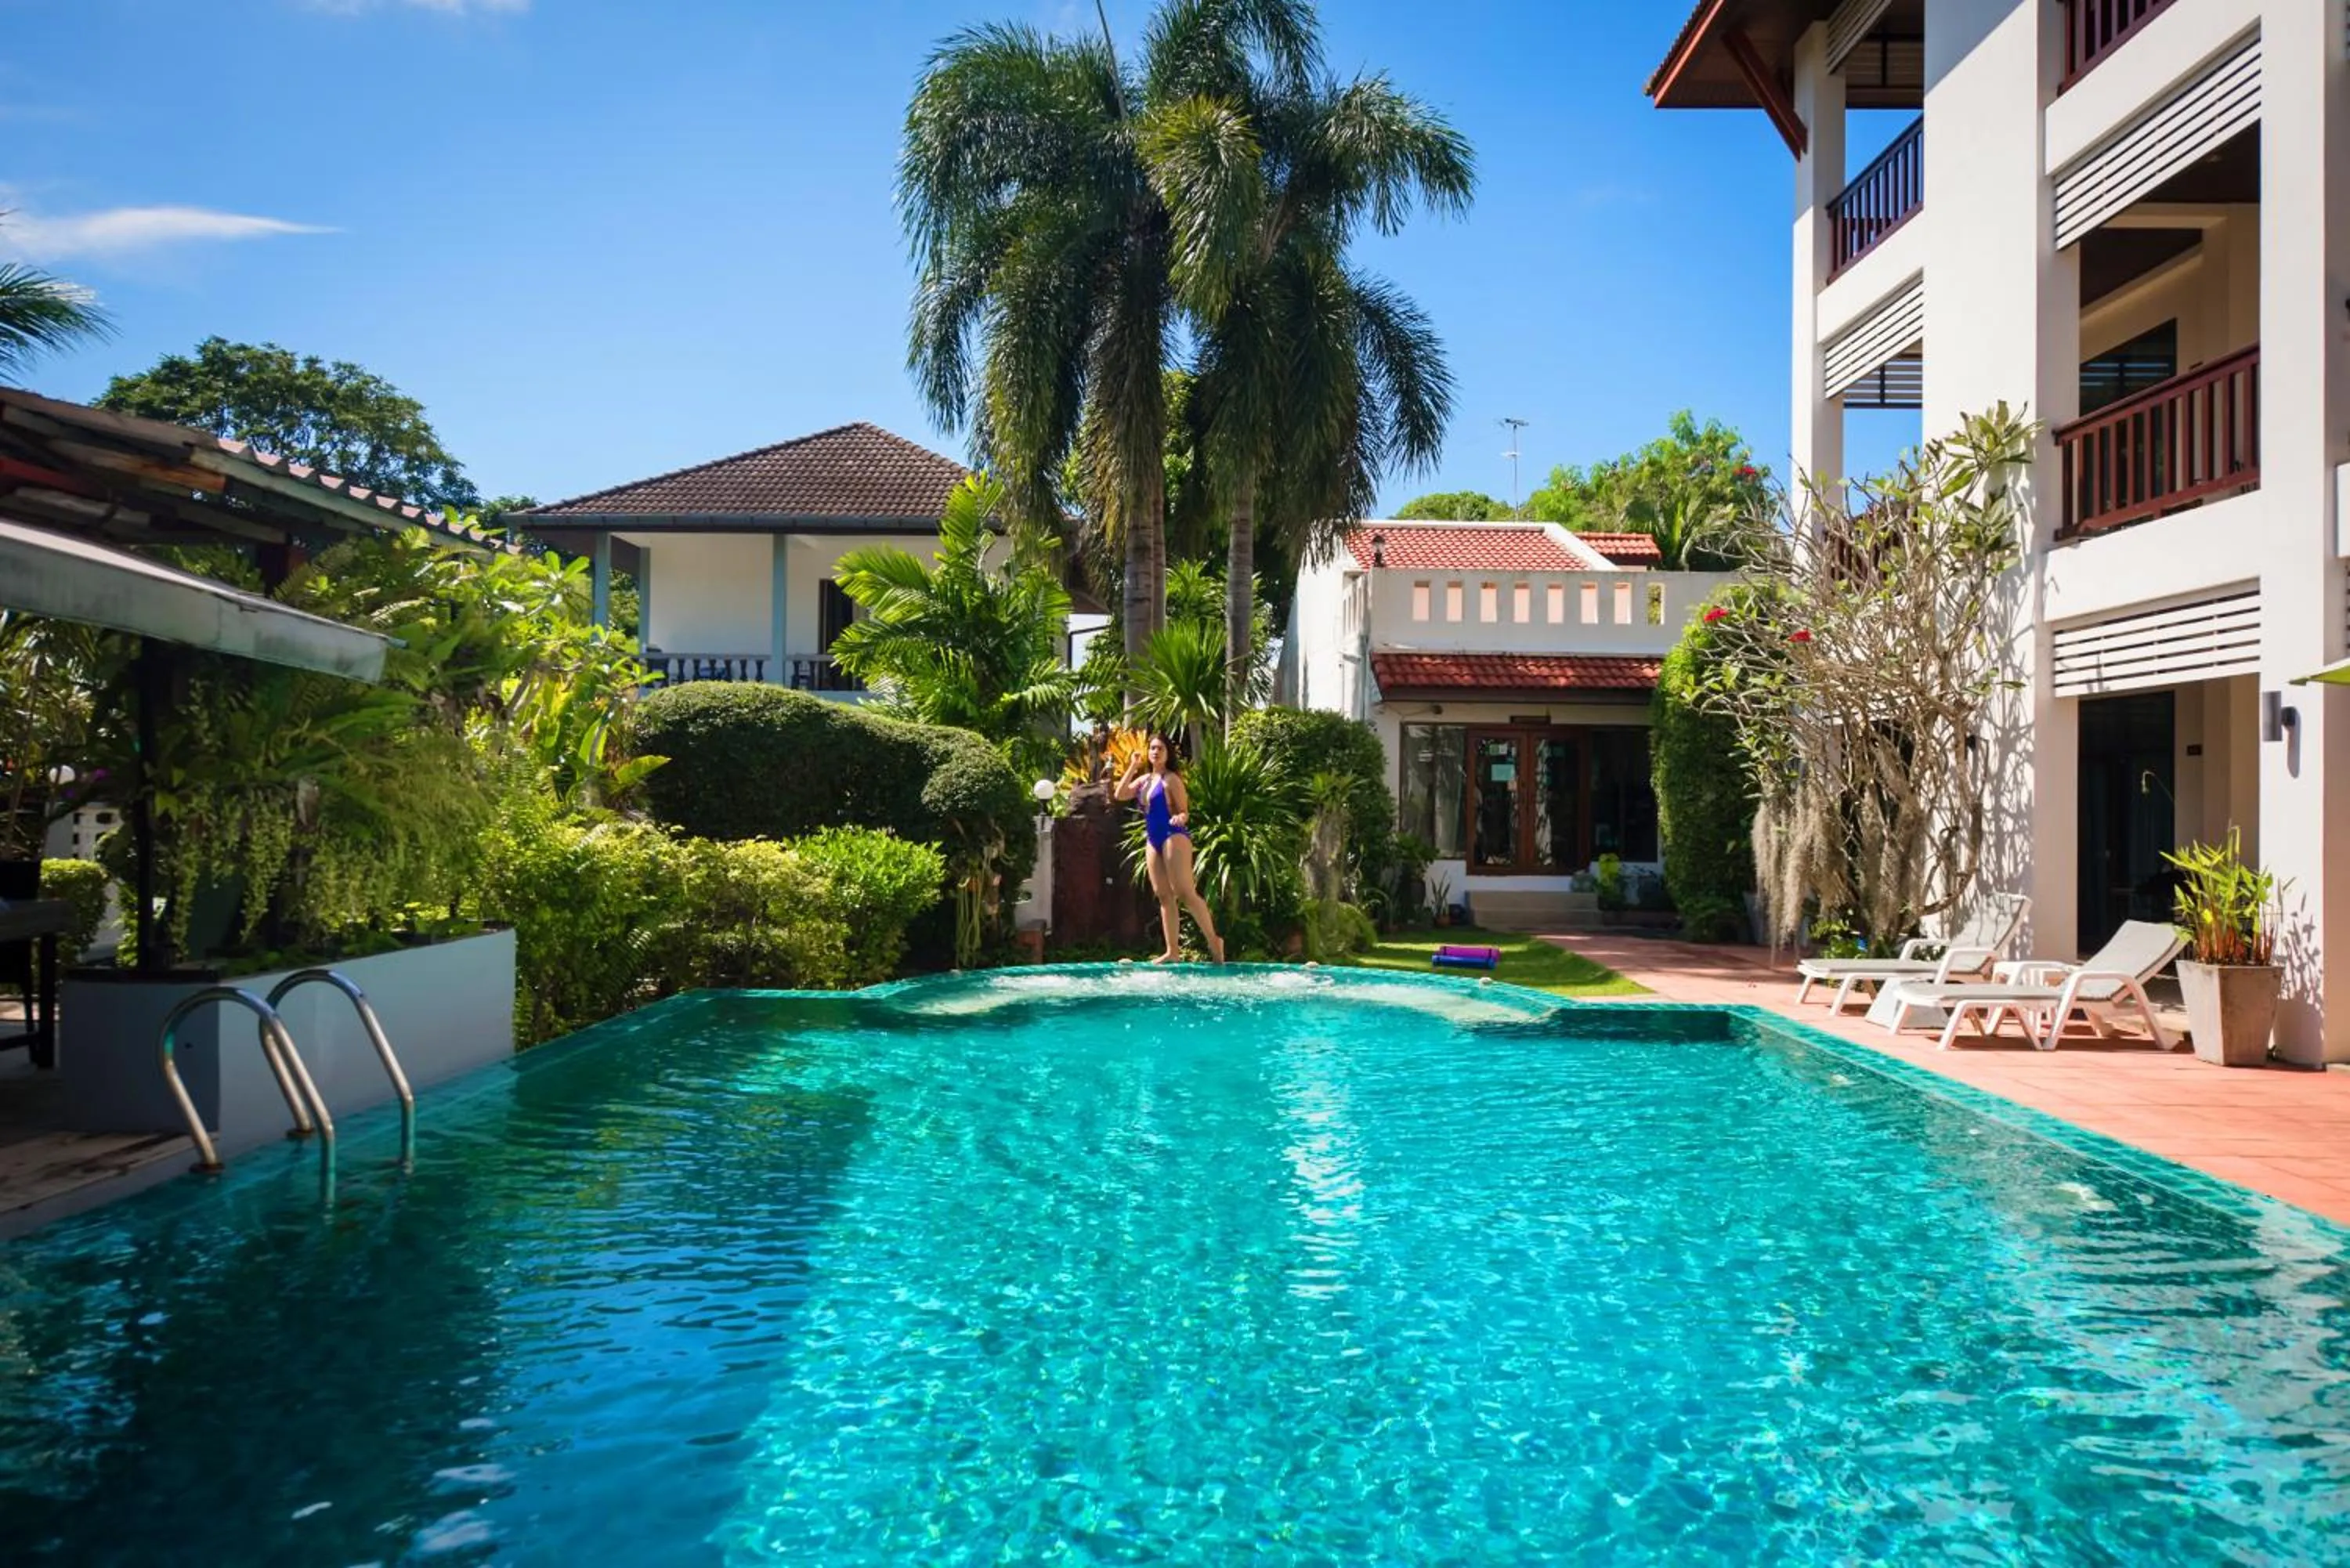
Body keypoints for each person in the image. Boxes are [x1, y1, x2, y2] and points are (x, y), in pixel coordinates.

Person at [1115, 731, 1225, 963]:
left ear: (1167, 754)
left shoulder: (1171, 779)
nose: (1155, 752)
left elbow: (1184, 811)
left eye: (1160, 749)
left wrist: (1180, 818)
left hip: (1172, 835)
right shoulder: (1144, 781)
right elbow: (1120, 794)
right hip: (1153, 839)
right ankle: (1172, 951)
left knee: (1185, 892)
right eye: (1152, 748)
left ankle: (1214, 941)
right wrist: (1133, 766)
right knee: (1164, 896)